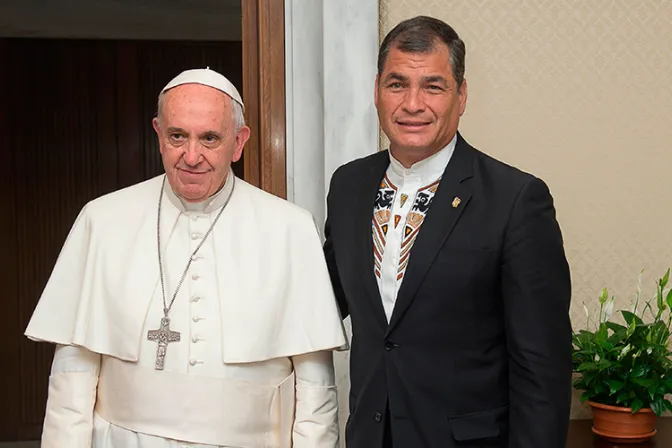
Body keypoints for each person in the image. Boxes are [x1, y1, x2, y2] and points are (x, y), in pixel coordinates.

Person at [25, 67, 347, 448]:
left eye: (210, 138)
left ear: (239, 142)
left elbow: (314, 386)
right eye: (177, 136)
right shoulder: (102, 219)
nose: (191, 156)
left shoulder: (290, 228)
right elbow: (72, 377)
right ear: (159, 135)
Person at [324, 16, 572, 448]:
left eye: (433, 87)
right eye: (397, 84)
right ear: (377, 90)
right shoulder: (348, 186)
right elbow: (323, 299)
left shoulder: (516, 200)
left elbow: (542, 370)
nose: (412, 103)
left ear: (461, 96)